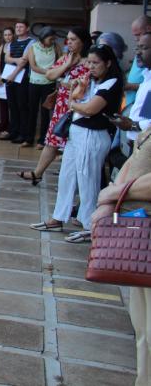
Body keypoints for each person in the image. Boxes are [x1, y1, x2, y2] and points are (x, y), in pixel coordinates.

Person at [30, 44, 122, 242]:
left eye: (95, 63)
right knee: (67, 175)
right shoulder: (91, 80)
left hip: (93, 134)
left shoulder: (111, 83)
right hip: (77, 132)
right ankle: (58, 217)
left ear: (108, 63)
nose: (90, 66)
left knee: (88, 180)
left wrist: (73, 102)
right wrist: (77, 93)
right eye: (88, 62)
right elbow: (75, 96)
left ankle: (90, 225)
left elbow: (89, 108)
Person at [91, 130, 151, 384]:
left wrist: (114, 194)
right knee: (144, 330)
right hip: (142, 235)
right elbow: (136, 159)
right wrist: (108, 199)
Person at [18, 28, 91, 186]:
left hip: (78, 107)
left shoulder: (90, 61)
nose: (69, 42)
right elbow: (50, 75)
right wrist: (67, 65)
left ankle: (73, 182)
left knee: (72, 144)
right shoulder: (66, 58)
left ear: (83, 41)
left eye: (73, 39)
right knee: (52, 140)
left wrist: (69, 82)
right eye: (68, 39)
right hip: (62, 106)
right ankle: (37, 173)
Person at [21, 27, 62, 147]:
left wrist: (54, 73)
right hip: (34, 83)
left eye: (53, 39)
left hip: (49, 84)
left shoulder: (56, 47)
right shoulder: (33, 47)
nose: (52, 41)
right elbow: (33, 66)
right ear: (43, 37)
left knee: (45, 112)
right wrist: (48, 72)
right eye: (50, 38)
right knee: (32, 111)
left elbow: (60, 62)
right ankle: (29, 138)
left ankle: (42, 140)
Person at [0, 21, 34, 143]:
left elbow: (24, 61)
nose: (18, 29)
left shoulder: (31, 42)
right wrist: (16, 59)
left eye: (21, 27)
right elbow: (6, 59)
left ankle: (23, 133)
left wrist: (13, 74)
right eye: (17, 27)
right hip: (10, 77)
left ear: (27, 28)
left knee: (22, 106)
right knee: (12, 105)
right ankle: (13, 131)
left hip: (22, 78)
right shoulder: (11, 43)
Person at [124, 16, 151, 110]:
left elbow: (147, 121)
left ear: (149, 29)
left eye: (138, 34)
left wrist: (133, 125)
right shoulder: (147, 78)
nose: (138, 52)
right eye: (137, 48)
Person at [0, 27, 14, 134]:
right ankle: (2, 124)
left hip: (12, 78)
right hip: (1, 78)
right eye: (5, 35)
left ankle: (10, 127)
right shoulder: (2, 46)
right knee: (2, 103)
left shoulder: (15, 46)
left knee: (12, 104)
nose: (7, 37)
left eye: (9, 34)